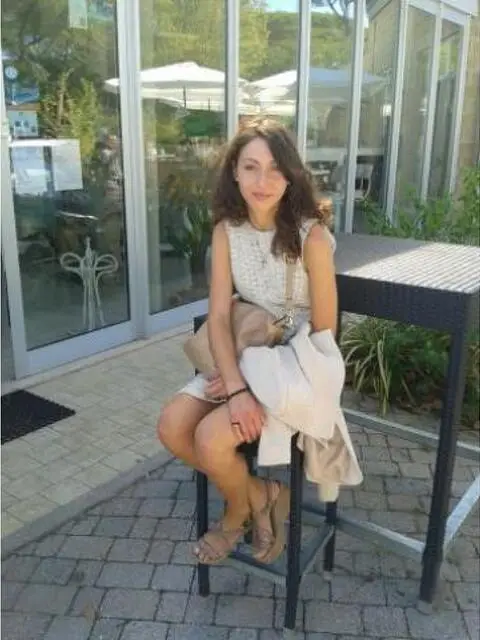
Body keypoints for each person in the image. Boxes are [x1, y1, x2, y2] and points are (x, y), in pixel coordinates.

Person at [157, 117, 338, 565]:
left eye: (275, 168)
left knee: (211, 440)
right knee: (171, 427)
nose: (263, 181)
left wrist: (251, 383)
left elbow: (324, 335)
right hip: (240, 353)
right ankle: (260, 495)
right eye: (251, 167)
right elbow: (219, 317)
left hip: (289, 369)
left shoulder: (311, 237)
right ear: (234, 172)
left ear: (291, 174)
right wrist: (236, 382)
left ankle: (235, 515)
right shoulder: (226, 232)